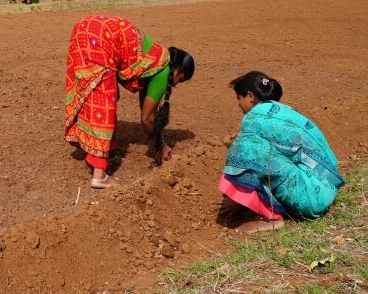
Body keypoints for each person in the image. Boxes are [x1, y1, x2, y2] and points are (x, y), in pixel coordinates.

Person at [64, 15, 195, 189]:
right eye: (181, 80)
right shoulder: (163, 72)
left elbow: (146, 109)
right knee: (104, 102)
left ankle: (96, 149)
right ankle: (99, 176)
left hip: (85, 28)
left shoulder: (156, 58)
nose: (177, 85)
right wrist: (161, 147)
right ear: (177, 70)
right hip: (100, 38)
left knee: (92, 92)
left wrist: (157, 139)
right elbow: (146, 119)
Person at [218, 71, 345, 233]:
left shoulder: (252, 118)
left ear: (250, 95)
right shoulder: (285, 111)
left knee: (243, 149)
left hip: (311, 199)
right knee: (255, 151)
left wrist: (238, 194)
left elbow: (254, 158)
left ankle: (270, 218)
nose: (238, 104)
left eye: (239, 98)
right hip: (327, 188)